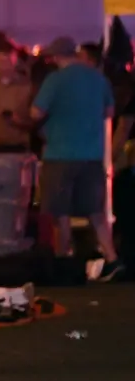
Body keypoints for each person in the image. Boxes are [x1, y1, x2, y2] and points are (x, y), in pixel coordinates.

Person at [31, 36, 124, 281]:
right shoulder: (98, 78)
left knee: (59, 211)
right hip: (92, 155)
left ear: (55, 57)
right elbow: (109, 111)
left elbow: (36, 111)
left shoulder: (55, 80)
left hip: (59, 154)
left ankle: (65, 260)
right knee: (96, 211)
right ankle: (113, 259)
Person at [0, 40, 33, 151]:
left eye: (8, 58)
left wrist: (19, 122)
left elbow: (36, 119)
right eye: (1, 59)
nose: (5, 62)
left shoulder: (27, 85)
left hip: (17, 146)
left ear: (15, 60)